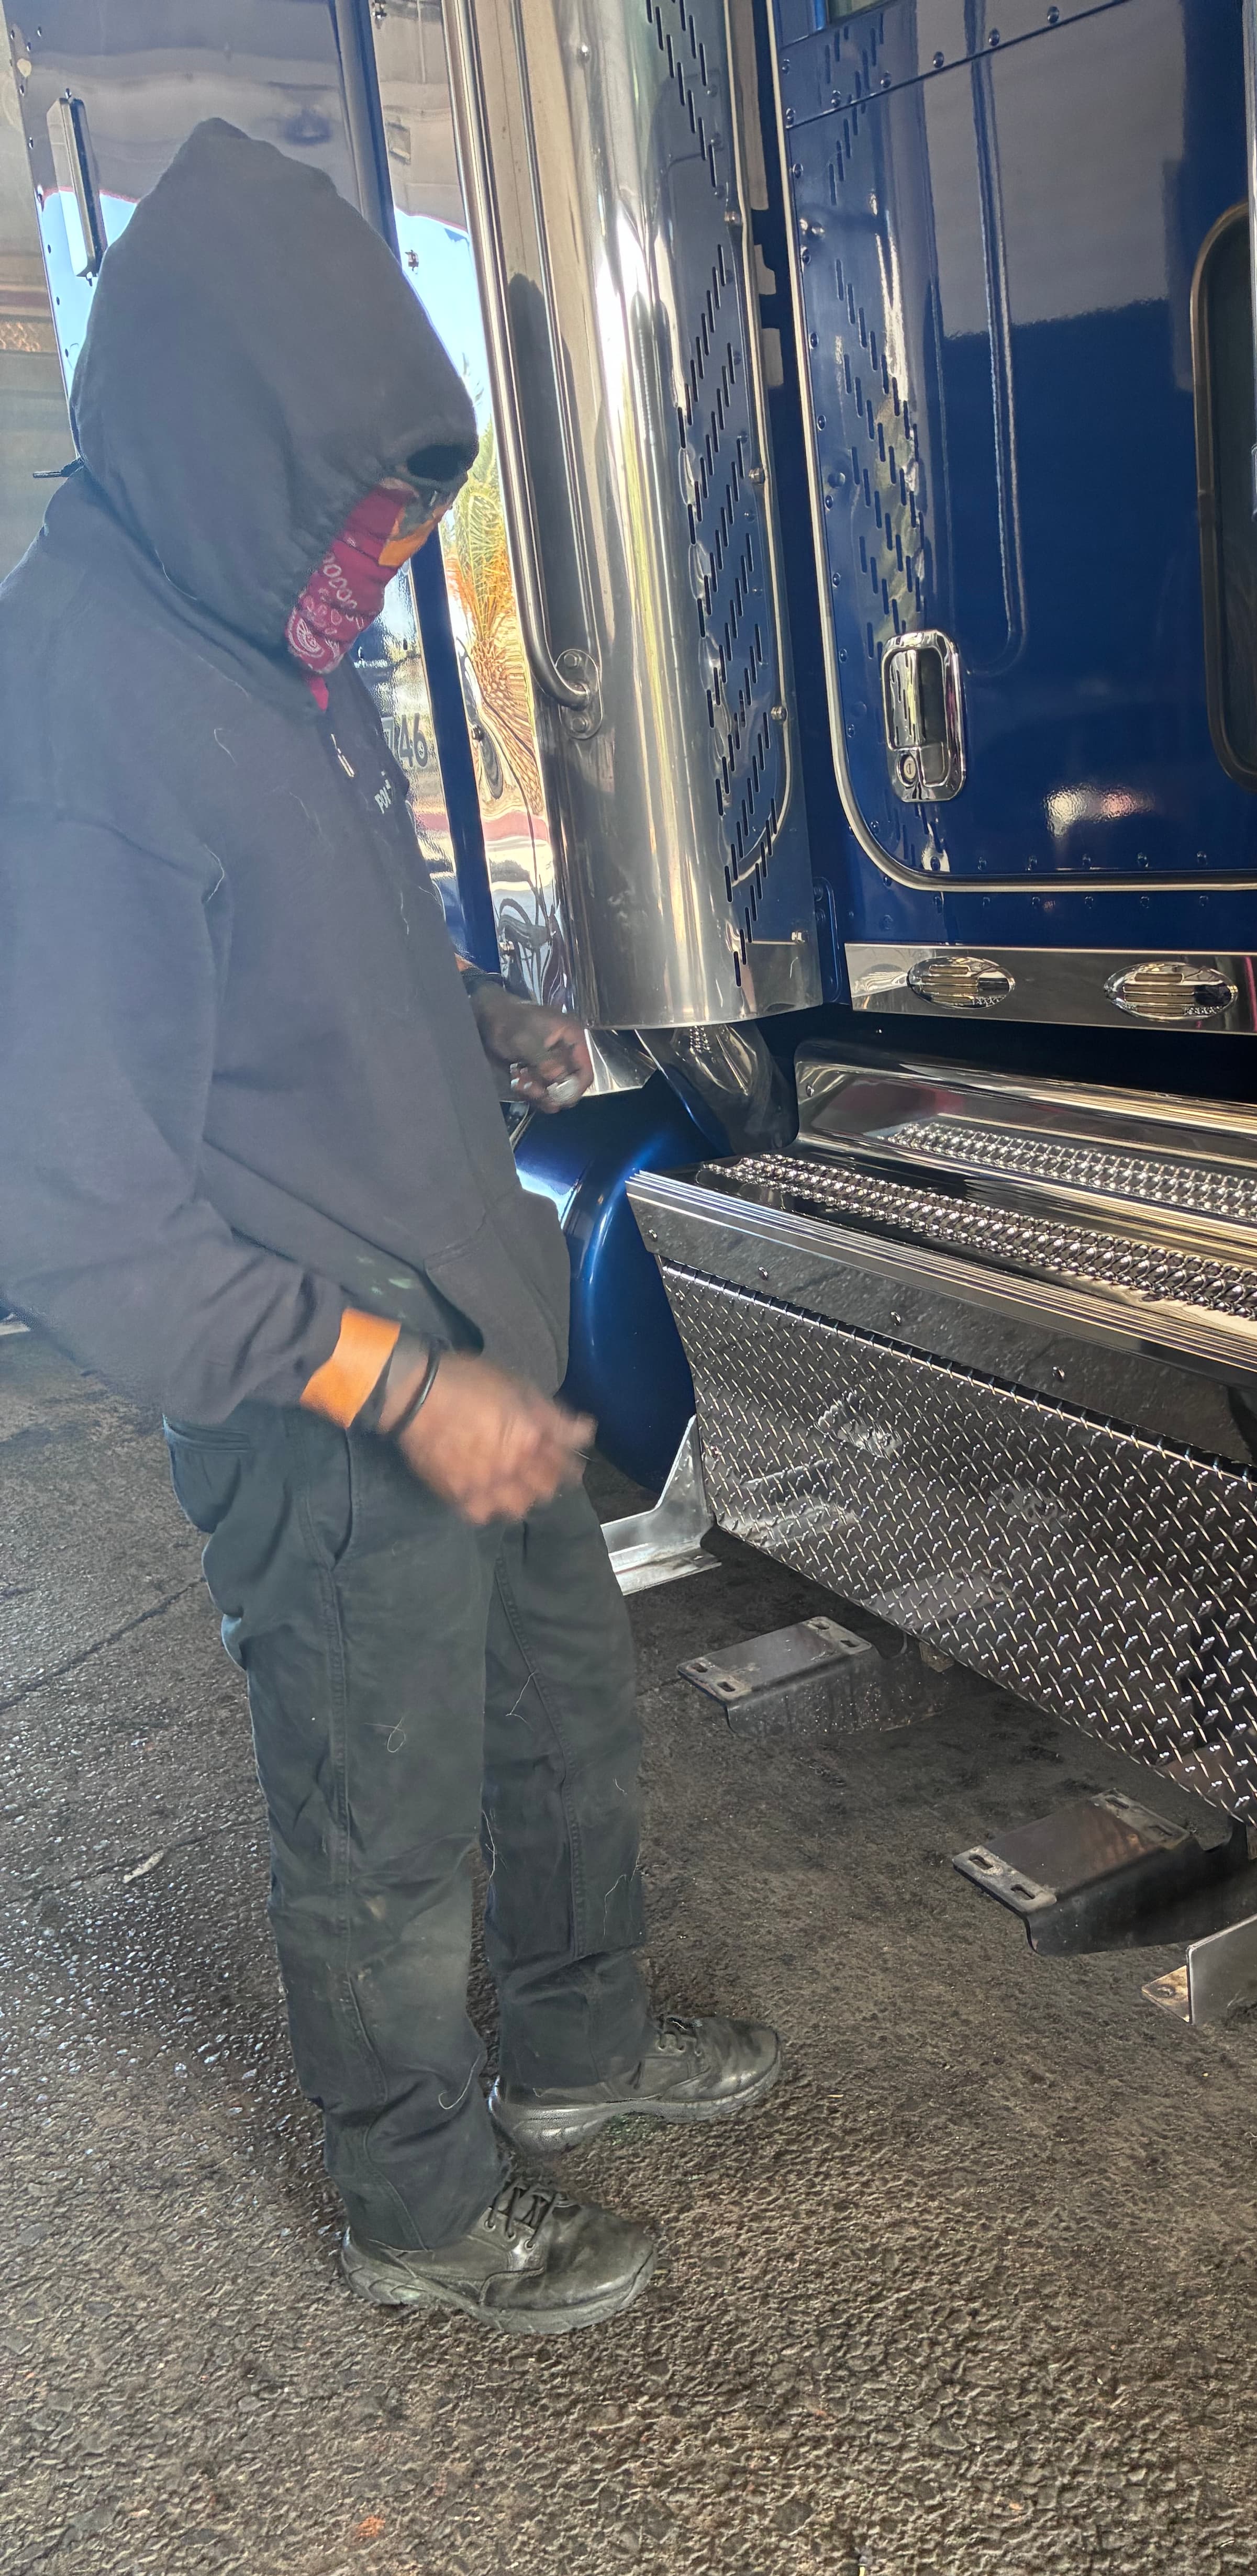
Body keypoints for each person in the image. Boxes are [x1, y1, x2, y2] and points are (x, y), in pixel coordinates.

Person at [0, 120, 779, 2336]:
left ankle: (579, 2054)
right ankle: (422, 2205)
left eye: (399, 522)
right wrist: (384, 1381)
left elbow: (282, 974)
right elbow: (72, 1200)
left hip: (470, 1329)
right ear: (216, 432)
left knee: (554, 1722)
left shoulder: (250, 630)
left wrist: (471, 1017)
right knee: (378, 1814)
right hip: (331, 1390)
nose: (373, 571)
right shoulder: (76, 706)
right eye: (348, 520)